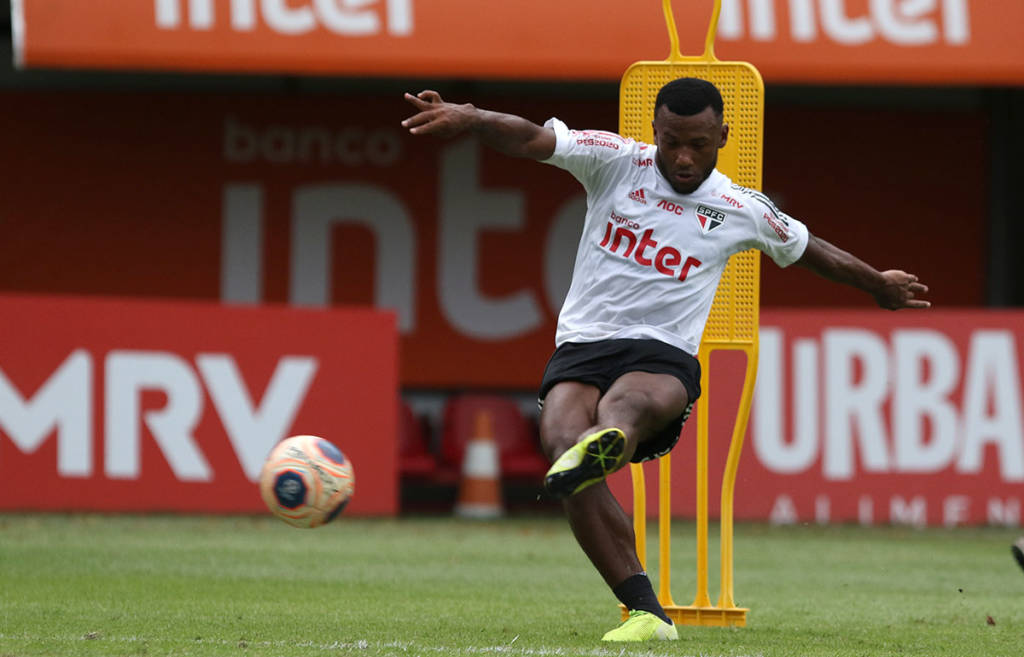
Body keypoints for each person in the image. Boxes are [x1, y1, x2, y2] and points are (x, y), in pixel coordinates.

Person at [402, 78, 930, 642]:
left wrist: (878, 284)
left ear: (722, 136)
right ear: (654, 130)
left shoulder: (741, 207)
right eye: (671, 142)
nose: (682, 157)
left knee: (623, 406)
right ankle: (646, 613)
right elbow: (533, 139)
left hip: (661, 353)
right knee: (560, 447)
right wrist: (473, 116)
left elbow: (810, 250)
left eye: (698, 144)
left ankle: (605, 442)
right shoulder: (615, 162)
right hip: (583, 345)